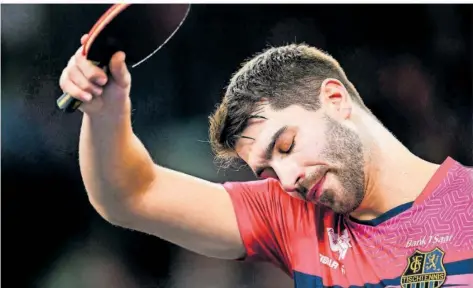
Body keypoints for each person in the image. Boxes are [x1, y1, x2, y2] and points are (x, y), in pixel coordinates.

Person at [59, 34, 473, 287]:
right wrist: (105, 111)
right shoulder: (292, 215)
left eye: (287, 145)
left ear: (335, 99)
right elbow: (131, 195)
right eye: (268, 171)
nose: (288, 179)